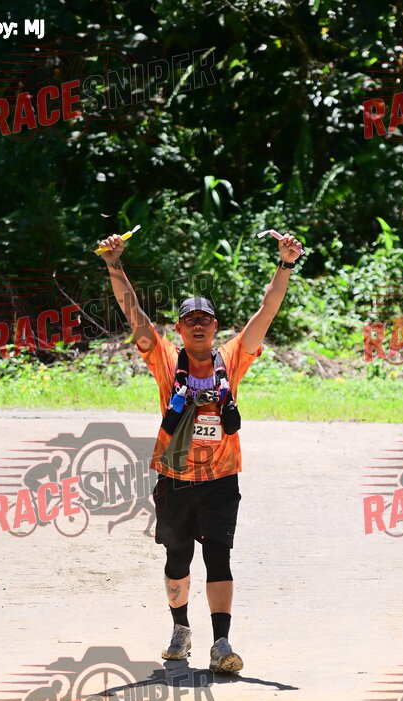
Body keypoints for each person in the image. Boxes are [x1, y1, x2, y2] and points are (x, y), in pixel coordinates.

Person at [97, 229, 303, 672]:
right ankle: (181, 630)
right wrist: (115, 265)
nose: (197, 324)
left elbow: (267, 311)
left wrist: (285, 264)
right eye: (189, 319)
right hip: (174, 478)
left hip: (221, 479)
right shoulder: (166, 359)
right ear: (179, 328)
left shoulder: (234, 357)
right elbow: (133, 315)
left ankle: (222, 644)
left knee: (219, 558)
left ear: (214, 326)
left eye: (204, 319)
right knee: (177, 559)